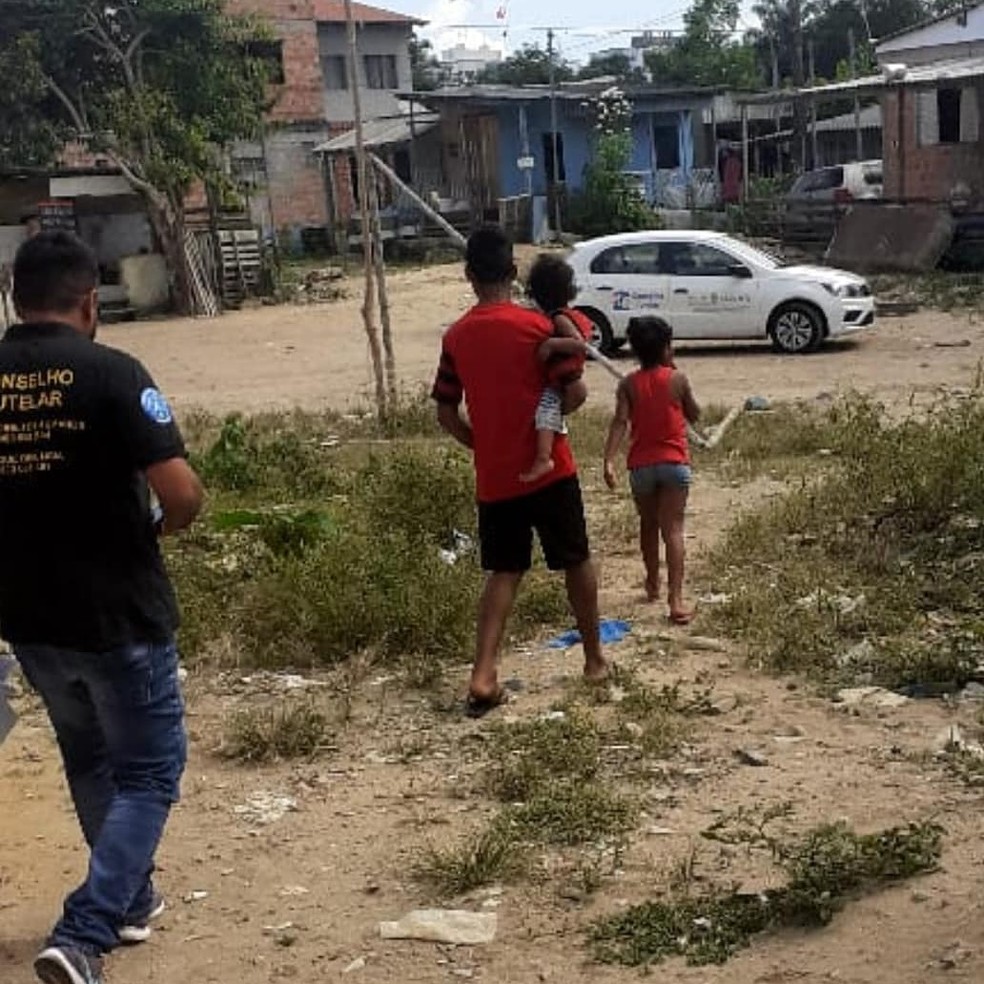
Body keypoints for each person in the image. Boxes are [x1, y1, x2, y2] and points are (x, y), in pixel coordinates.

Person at [0, 231, 203, 984]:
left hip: (28, 617)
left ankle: (130, 897)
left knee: (89, 757)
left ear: (18, 297)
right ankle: (85, 934)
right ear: (90, 302)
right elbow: (181, 495)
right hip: (119, 612)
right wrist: (163, 527)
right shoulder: (113, 373)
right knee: (150, 771)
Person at [432, 226, 608, 716]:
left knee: (503, 570)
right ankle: (594, 659)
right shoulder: (538, 329)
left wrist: (482, 444)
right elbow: (573, 393)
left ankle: (483, 673)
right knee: (575, 560)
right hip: (552, 472)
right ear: (513, 273)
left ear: (469, 276)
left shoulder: (457, 337)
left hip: (496, 477)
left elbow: (446, 412)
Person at [602, 316, 700, 625]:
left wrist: (608, 459)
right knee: (673, 528)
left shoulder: (628, 384)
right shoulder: (677, 379)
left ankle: (652, 583)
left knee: (648, 524)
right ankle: (676, 600)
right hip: (674, 463)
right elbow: (694, 414)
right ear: (666, 348)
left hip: (641, 466)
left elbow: (620, 422)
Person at [520, 253, 593, 485]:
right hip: (568, 383)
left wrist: (552, 344)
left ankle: (544, 459)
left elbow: (580, 345)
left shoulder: (560, 319)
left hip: (570, 385)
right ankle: (549, 441)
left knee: (545, 412)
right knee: (549, 419)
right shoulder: (555, 315)